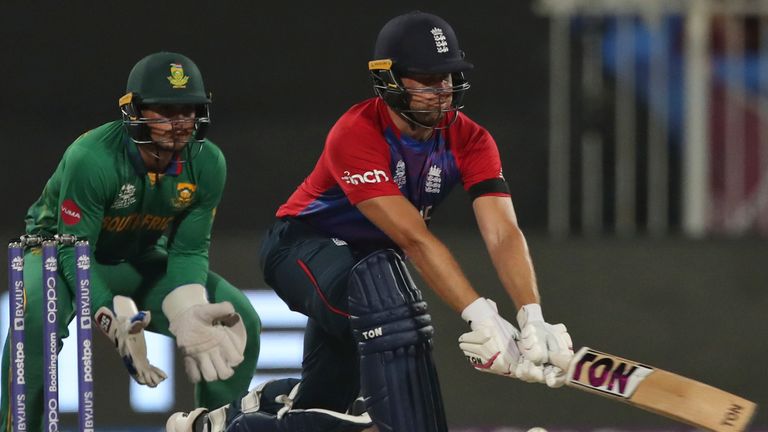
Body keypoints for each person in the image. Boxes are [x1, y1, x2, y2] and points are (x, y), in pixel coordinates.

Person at [168, 11, 573, 432]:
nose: (443, 92)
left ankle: (234, 420)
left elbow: (502, 231)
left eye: (449, 78)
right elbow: (414, 239)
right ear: (390, 79)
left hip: (365, 269)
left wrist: (531, 314)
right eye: (428, 79)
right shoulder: (357, 132)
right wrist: (482, 317)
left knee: (330, 396)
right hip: (299, 248)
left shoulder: (471, 139)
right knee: (387, 306)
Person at [1, 51, 261, 432]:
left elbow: (188, 250)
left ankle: (214, 425)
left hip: (135, 257)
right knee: (37, 311)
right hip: (57, 252)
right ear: (134, 111)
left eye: (188, 110)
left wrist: (187, 309)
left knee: (237, 318)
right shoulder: (91, 158)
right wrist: (112, 317)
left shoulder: (207, 163)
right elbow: (75, 250)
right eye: (166, 110)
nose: (180, 124)